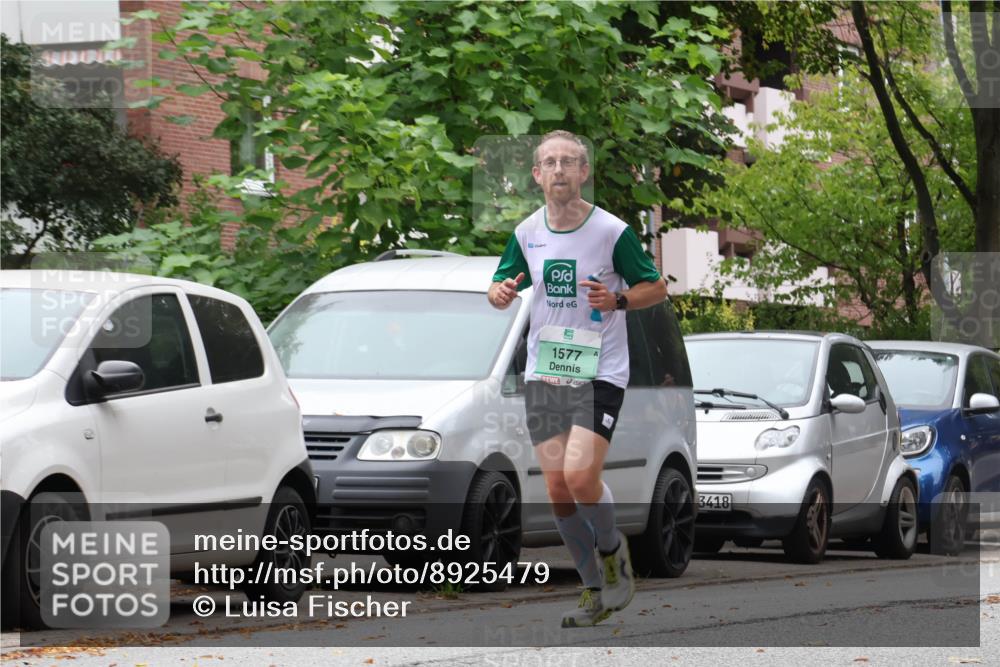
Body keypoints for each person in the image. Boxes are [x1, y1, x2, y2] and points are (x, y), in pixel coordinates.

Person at [487, 130, 668, 627]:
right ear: (537, 175)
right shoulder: (527, 233)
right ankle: (594, 589)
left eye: (569, 161)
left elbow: (657, 287)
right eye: (551, 162)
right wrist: (499, 293)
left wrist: (620, 300)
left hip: (599, 370)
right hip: (546, 371)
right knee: (558, 490)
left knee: (581, 476)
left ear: (584, 173)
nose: (560, 169)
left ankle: (614, 557)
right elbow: (500, 284)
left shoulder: (612, 232)